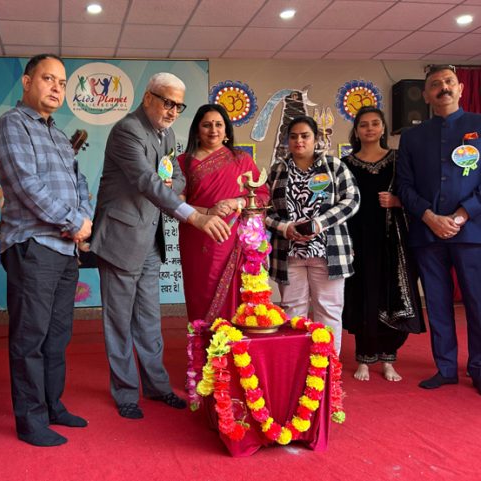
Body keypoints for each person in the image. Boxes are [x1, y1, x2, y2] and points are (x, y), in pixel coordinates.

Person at [90, 73, 231, 419]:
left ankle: (156, 386)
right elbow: (146, 181)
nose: (172, 111)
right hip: (121, 240)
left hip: (150, 240)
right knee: (119, 323)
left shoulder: (166, 134)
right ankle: (125, 392)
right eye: (167, 102)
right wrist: (193, 217)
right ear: (148, 97)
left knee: (150, 320)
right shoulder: (128, 130)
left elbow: (176, 176)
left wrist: (171, 181)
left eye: (178, 106)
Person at [0, 54, 92, 447]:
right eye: (48, 79)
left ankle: (53, 404)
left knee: (57, 335)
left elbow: (79, 184)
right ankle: (30, 419)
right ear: (28, 82)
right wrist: (74, 222)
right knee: (30, 337)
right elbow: (26, 186)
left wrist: (83, 218)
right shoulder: (12, 125)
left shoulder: (57, 133)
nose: (56, 88)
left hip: (65, 249)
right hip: (33, 244)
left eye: (62, 83)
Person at [398, 64, 481, 394]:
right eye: (435, 84)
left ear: (460, 88)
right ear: (427, 95)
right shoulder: (413, 136)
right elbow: (404, 186)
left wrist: (462, 215)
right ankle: (445, 367)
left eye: (448, 82)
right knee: (437, 303)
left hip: (472, 233)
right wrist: (430, 217)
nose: (442, 88)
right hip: (427, 234)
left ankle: (478, 367)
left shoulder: (479, 126)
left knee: (477, 303)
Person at [342, 107, 425, 382]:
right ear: (356, 131)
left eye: (375, 123)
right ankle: (364, 357)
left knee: (392, 294)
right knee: (362, 295)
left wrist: (398, 202)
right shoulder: (346, 164)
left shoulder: (397, 160)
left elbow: (415, 193)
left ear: (384, 128)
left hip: (393, 239)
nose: (369, 129)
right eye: (363, 125)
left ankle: (389, 358)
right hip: (359, 240)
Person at [265, 115, 360, 354]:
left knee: (328, 311)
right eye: (294, 136)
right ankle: (295, 370)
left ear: (315, 138)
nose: (299, 141)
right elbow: (263, 210)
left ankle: (327, 371)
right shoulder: (277, 170)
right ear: (287, 140)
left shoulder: (334, 166)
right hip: (290, 255)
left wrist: (319, 223)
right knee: (292, 311)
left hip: (328, 254)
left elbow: (352, 200)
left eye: (305, 136)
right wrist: (285, 227)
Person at [178, 104, 269, 323]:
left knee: (239, 295)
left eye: (219, 125)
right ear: (197, 130)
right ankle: (205, 348)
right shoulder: (183, 162)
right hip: (198, 239)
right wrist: (208, 211)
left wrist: (237, 201)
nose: (213, 130)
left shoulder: (241, 159)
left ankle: (238, 351)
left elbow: (263, 195)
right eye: (207, 125)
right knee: (201, 292)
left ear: (226, 130)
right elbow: (175, 203)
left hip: (236, 240)